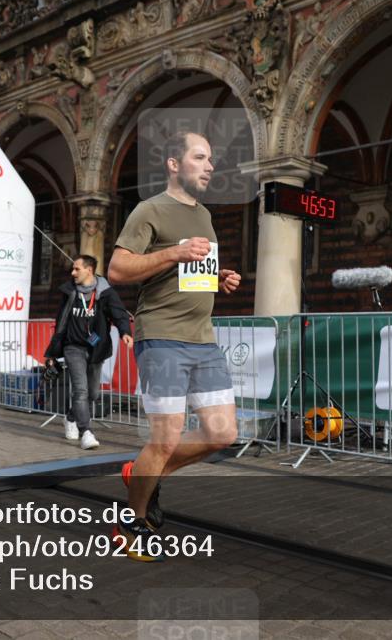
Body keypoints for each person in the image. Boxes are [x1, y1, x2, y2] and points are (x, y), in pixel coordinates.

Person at [107, 130, 241, 561]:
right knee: (164, 439)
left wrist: (217, 278)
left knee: (223, 434)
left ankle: (140, 474)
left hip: (203, 338)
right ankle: (132, 522)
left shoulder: (204, 215)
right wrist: (172, 255)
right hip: (161, 336)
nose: (209, 166)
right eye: (200, 157)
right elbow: (118, 269)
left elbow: (191, 272)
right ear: (173, 163)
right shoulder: (149, 210)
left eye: (210, 159)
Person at [44, 255, 133, 450]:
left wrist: (125, 331)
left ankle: (70, 417)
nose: (72, 273)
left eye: (77, 269)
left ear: (89, 270)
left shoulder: (106, 293)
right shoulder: (70, 292)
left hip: (96, 349)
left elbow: (119, 313)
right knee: (81, 391)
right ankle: (86, 432)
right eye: (72, 269)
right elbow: (61, 322)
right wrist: (52, 352)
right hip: (73, 347)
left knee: (92, 393)